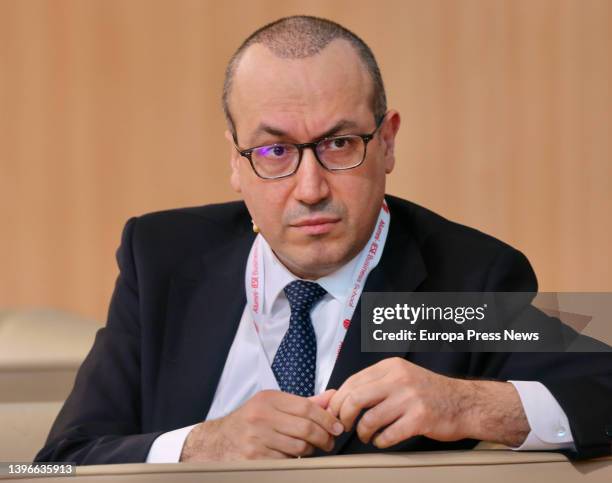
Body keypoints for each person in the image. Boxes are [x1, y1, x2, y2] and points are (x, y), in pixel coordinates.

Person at [36, 15, 612, 465]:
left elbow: (602, 386)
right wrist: (199, 447)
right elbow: (58, 464)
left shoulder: (459, 280)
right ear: (235, 162)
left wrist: (467, 405)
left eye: (339, 144)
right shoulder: (165, 258)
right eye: (275, 151)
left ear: (387, 143)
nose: (309, 189)